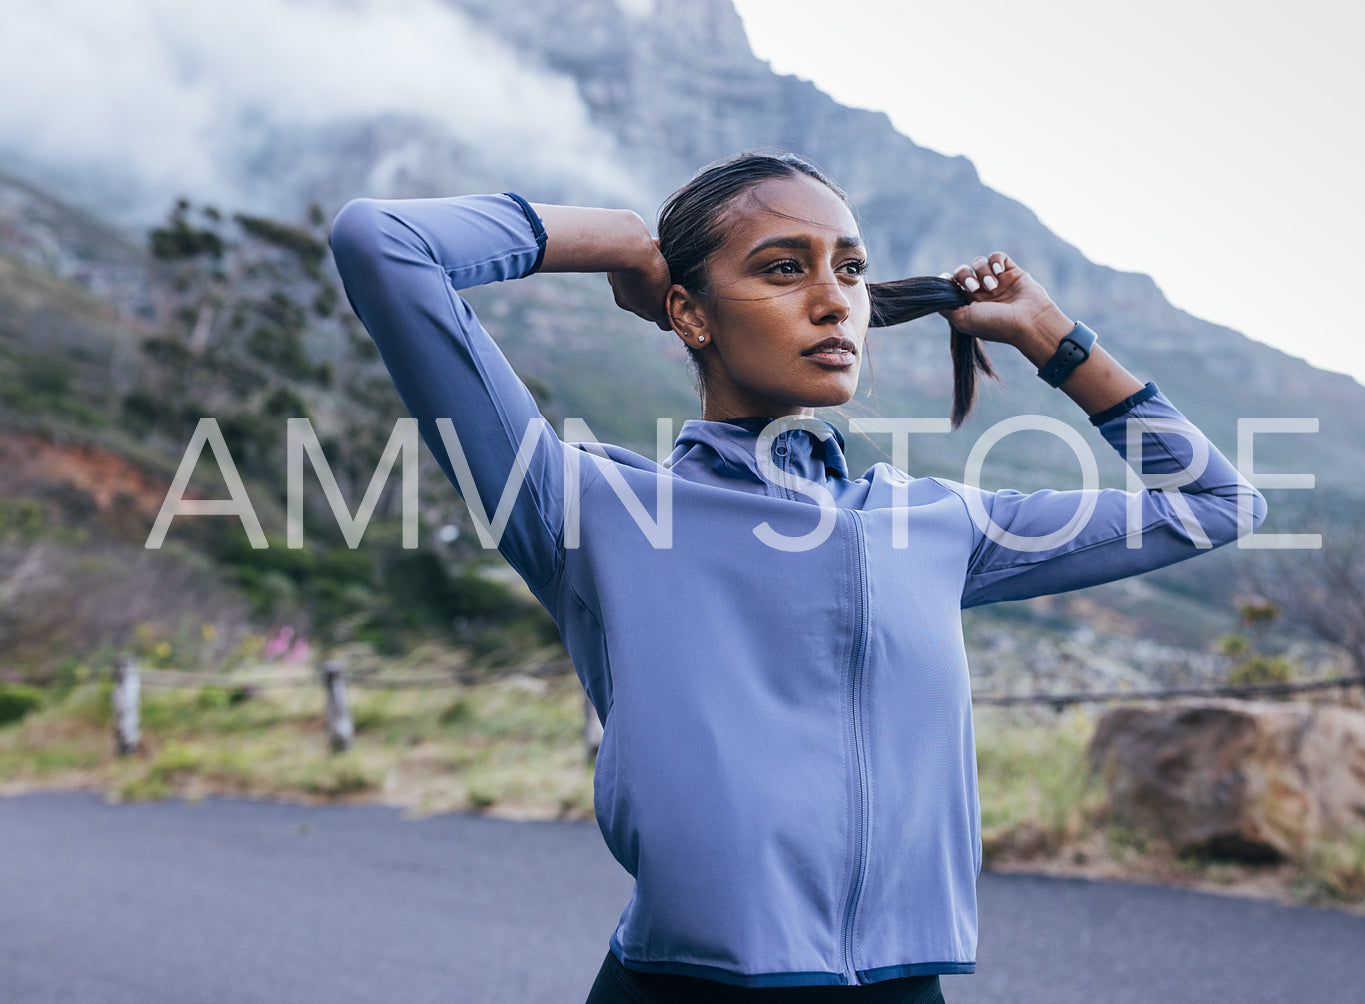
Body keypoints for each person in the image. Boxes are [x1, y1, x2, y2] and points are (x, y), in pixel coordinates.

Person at [329, 151, 1265, 1003]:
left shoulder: (937, 523)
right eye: (784, 268)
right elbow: (383, 240)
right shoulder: (591, 509)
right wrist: (622, 241)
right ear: (689, 311)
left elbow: (1217, 504)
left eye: (848, 270)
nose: (833, 300)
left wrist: (1053, 337)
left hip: (908, 987)